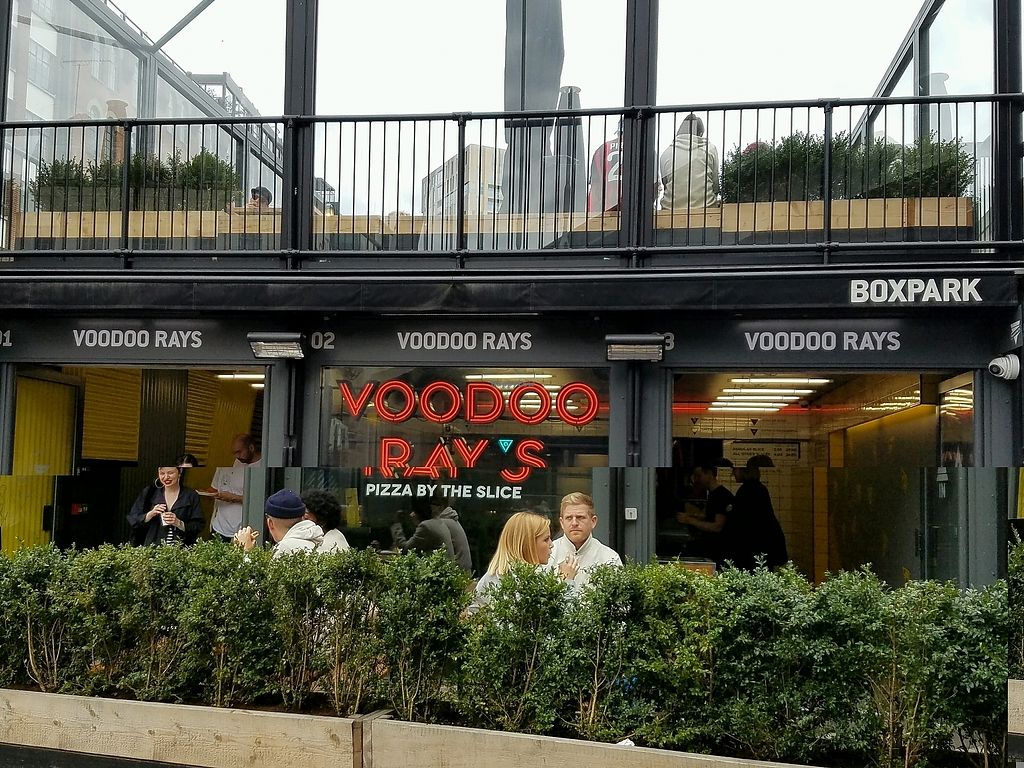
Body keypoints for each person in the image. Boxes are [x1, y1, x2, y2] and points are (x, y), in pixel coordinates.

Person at [471, 511, 577, 613]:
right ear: (528, 544)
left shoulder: (490, 578)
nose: (551, 544)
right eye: (546, 539)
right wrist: (566, 582)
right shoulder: (530, 582)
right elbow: (562, 619)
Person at [548, 492, 621, 590]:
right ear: (562, 523)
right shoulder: (548, 555)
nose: (574, 523)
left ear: (593, 521)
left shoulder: (609, 558)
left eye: (580, 517)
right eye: (569, 518)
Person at [727, 454, 788, 570]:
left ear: (745, 470)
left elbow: (742, 523)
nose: (733, 474)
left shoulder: (747, 490)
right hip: (766, 545)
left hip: (754, 548)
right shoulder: (759, 488)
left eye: (735, 470)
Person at [127, 462, 204, 546]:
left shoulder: (191, 495)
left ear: (180, 472)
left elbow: (198, 525)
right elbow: (133, 519)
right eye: (162, 473)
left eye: (170, 473)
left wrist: (179, 523)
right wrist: (150, 514)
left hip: (181, 548)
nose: (166, 477)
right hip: (153, 547)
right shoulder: (150, 493)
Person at [235, 488, 324, 559]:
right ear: (303, 517)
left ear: (270, 523)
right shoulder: (317, 538)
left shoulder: (285, 548)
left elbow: (256, 577)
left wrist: (245, 551)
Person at [677, 460, 735, 567]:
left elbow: (717, 526)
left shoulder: (720, 496)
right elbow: (711, 516)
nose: (696, 480)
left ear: (709, 474)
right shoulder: (713, 494)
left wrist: (690, 520)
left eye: (699, 476)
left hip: (719, 550)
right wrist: (693, 516)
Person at [659, 112, 719, 210]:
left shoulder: (666, 153)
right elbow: (715, 183)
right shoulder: (710, 149)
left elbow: (665, 183)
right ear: (700, 134)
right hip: (706, 208)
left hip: (671, 209)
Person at [208, 434, 262, 542]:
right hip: (219, 527)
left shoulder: (263, 467)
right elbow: (218, 487)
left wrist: (234, 498)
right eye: (235, 453)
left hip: (242, 531)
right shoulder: (236, 462)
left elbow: (260, 500)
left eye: (239, 452)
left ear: (251, 448)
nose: (237, 456)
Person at [390, 497, 455, 560]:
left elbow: (405, 549)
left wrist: (396, 524)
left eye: (414, 511)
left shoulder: (425, 526)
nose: (411, 515)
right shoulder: (437, 522)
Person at [430, 489, 473, 575]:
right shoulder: (450, 520)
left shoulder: (443, 523)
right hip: (463, 574)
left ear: (440, 507)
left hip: (457, 576)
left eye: (431, 505)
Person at [301, 488, 351, 554]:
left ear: (322, 521)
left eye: (306, 517)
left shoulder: (330, 545)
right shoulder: (328, 536)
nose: (301, 520)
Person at [588, 120, 622, 212]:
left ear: (618, 132)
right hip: (637, 210)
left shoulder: (603, 149)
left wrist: (592, 215)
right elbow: (654, 187)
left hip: (608, 210)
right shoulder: (645, 148)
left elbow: (596, 187)